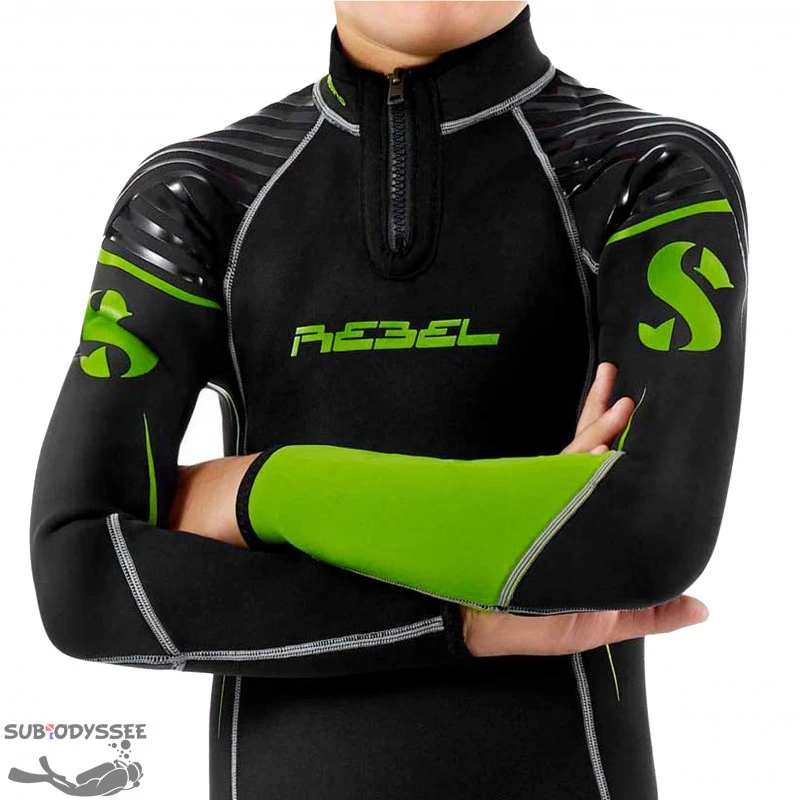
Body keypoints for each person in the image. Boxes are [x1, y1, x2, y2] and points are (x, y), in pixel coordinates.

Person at [29, 1, 748, 798]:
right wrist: (471, 614)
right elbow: (82, 581)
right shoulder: (196, 196)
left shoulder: (646, 171)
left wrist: (261, 491)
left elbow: (643, 534)